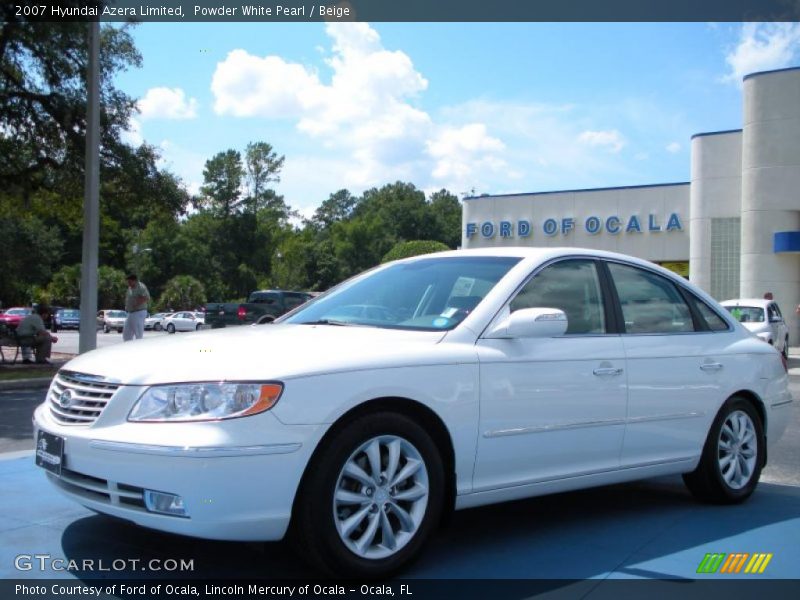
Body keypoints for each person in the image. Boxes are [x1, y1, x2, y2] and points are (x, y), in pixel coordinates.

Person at [123, 273, 150, 341]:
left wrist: (136, 304)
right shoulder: (130, 288)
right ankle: (127, 348)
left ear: (134, 280)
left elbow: (146, 298)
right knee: (126, 333)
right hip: (130, 313)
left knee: (138, 334)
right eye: (128, 281)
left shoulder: (141, 287)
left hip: (139, 312)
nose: (128, 283)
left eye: (130, 281)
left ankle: (138, 349)